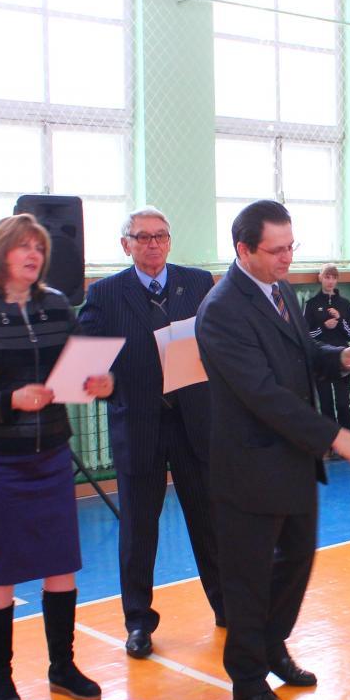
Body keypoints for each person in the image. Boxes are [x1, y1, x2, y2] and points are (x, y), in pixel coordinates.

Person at [196, 200, 350, 700]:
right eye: (276, 250)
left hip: (292, 460)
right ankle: (248, 685)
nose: (287, 258)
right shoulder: (222, 310)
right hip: (251, 465)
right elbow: (263, 394)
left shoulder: (278, 290)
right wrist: (338, 437)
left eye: (290, 247)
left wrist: (339, 357)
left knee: (297, 559)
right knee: (249, 578)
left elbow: (299, 356)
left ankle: (272, 645)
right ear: (243, 249)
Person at [0, 213, 109, 700]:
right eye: (23, 247)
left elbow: (78, 371)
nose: (34, 255)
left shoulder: (56, 305)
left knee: (61, 567)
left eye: (39, 247)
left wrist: (101, 384)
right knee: (0, 574)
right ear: (0, 253)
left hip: (51, 456)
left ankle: (63, 667)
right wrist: (11, 400)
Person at [77, 206, 224, 660]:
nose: (153, 244)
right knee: (138, 531)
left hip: (194, 424)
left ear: (170, 240)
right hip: (139, 425)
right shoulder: (104, 294)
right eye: (142, 237)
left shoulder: (198, 283)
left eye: (160, 235)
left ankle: (227, 606)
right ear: (126, 245)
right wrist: (100, 382)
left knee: (210, 523)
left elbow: (220, 341)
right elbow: (85, 364)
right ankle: (138, 622)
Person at [303, 263, 350, 431]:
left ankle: (347, 439)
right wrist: (323, 327)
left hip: (342, 358)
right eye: (327, 277)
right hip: (320, 360)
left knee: (342, 403)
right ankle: (332, 441)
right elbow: (305, 334)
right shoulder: (311, 304)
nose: (330, 281)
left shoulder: (345, 304)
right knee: (326, 404)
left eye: (334, 277)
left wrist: (340, 320)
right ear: (320, 278)